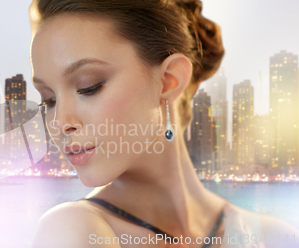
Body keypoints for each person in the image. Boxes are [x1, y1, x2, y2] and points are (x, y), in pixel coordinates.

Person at [28, 0, 299, 247]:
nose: (59, 123)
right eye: (49, 100)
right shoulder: (72, 229)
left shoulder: (275, 237)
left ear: (169, 79)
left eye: (89, 87)